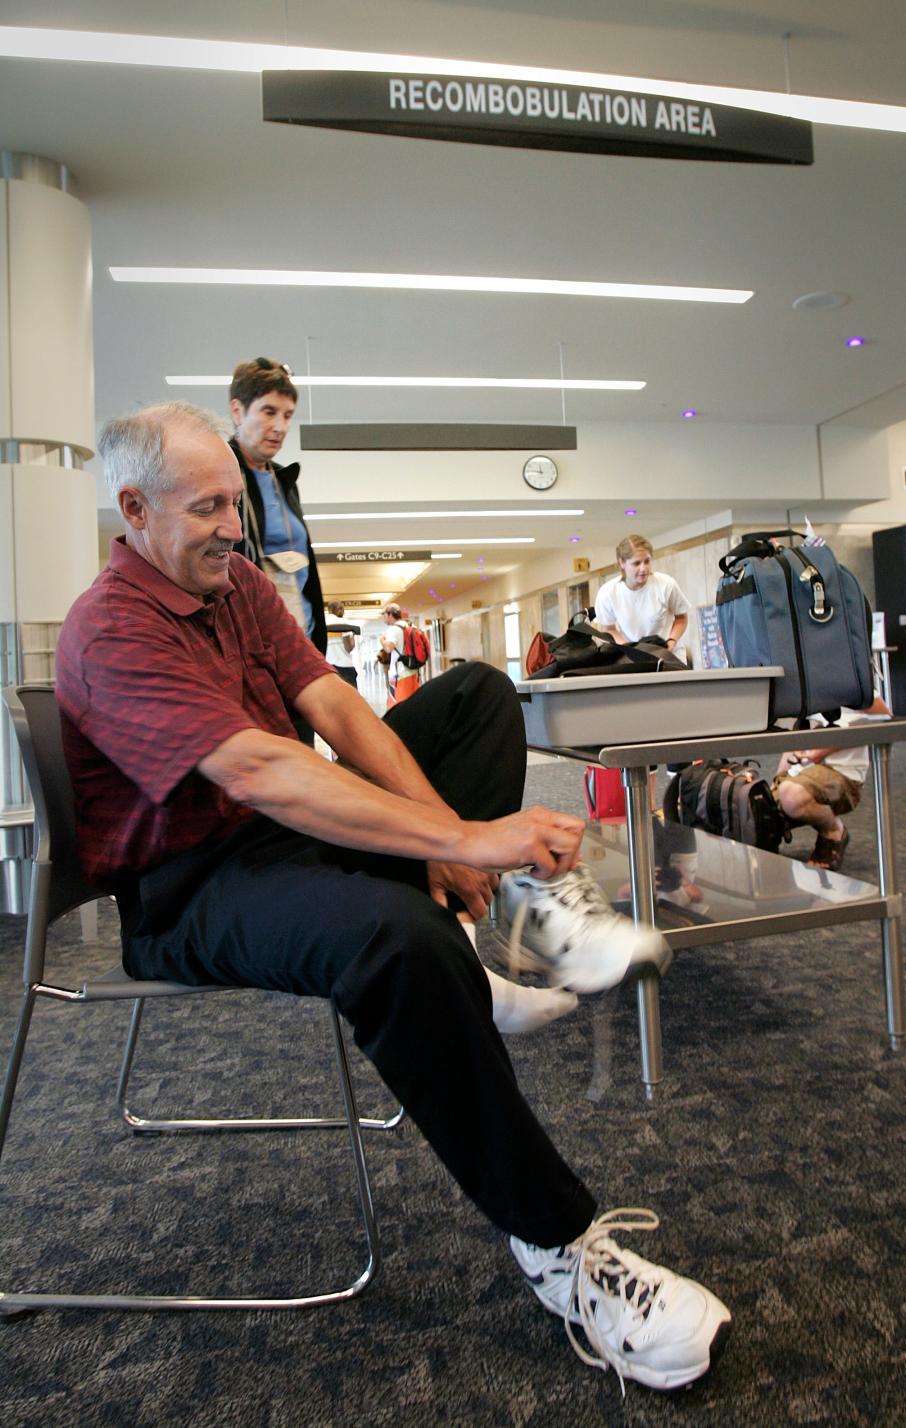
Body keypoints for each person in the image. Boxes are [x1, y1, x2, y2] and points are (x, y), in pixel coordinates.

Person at [55, 402, 731, 1392]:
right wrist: (460, 838)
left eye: (235, 504)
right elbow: (256, 770)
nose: (234, 528)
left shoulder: (235, 584)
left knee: (479, 699)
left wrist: (458, 853)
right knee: (397, 942)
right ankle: (558, 1250)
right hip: (190, 888)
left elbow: (332, 709)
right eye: (208, 508)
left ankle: (494, 922)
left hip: (273, 835)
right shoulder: (108, 631)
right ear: (134, 509)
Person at [228, 357, 327, 657]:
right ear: (237, 411)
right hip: (252, 648)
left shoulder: (285, 480)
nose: (280, 427)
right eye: (269, 412)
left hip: (302, 642)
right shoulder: (218, 474)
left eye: (288, 415)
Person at [772, 696, 891, 871]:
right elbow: (795, 738)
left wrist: (824, 751)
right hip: (802, 769)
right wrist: (775, 782)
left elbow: (886, 720)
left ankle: (834, 831)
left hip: (842, 774)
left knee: (791, 796)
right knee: (757, 807)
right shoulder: (807, 687)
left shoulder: (855, 687)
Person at [595, 535, 690, 659]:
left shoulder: (666, 584)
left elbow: (681, 618)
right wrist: (629, 649)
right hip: (633, 657)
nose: (643, 568)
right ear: (622, 563)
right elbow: (608, 629)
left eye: (647, 561)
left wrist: (672, 642)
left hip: (668, 654)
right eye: (636, 563)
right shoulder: (608, 592)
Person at [380, 602, 420, 704]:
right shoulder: (412, 626)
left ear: (390, 614)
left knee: (397, 708)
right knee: (413, 704)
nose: (383, 617)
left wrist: (382, 640)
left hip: (400, 675)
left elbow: (388, 648)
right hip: (414, 672)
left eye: (384, 614)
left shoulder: (393, 629)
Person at [326, 600, 359, 688]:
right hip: (345, 665)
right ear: (338, 609)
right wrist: (353, 641)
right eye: (342, 609)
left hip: (329, 667)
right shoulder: (343, 622)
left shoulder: (323, 623)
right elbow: (348, 647)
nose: (343, 612)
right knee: (351, 697)